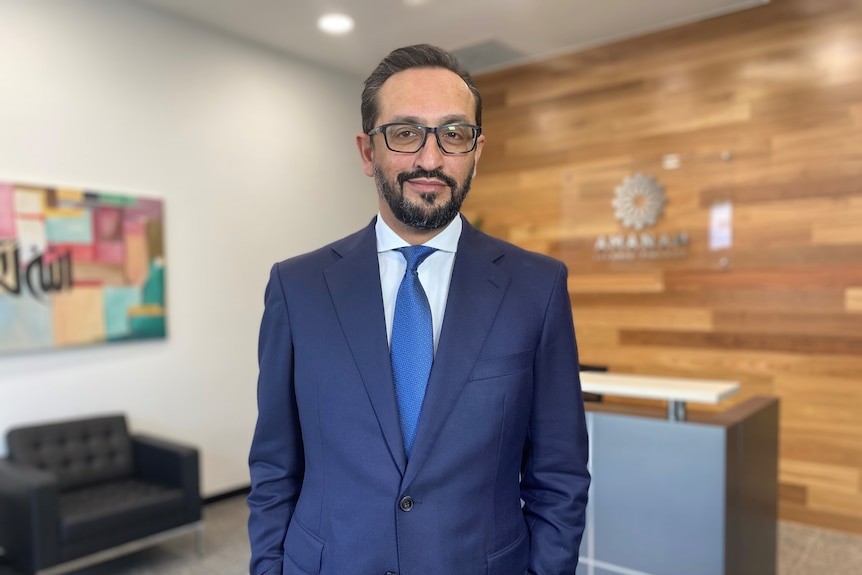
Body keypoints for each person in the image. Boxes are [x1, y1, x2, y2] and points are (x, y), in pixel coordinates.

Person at [248, 44, 590, 575]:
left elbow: (560, 475)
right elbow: (274, 466)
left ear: (477, 151)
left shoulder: (536, 288)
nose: (431, 159)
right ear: (367, 151)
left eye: (454, 134)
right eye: (405, 133)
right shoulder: (298, 287)